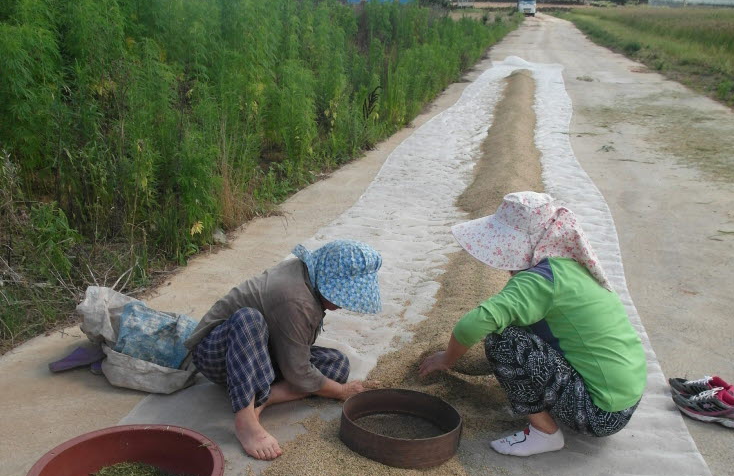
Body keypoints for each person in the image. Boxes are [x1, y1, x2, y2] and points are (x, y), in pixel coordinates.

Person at [418, 192, 646, 456]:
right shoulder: (569, 266)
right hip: (624, 398)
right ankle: (550, 409)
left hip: (598, 413)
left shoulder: (537, 281)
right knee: (516, 329)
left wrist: (446, 359)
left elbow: (471, 325)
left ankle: (544, 433)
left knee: (503, 340)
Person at [184, 239, 382, 460]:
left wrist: (333, 385)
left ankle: (262, 399)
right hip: (221, 354)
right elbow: (298, 372)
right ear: (328, 280)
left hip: (263, 350)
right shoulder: (297, 300)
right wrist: (341, 392)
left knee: (337, 365)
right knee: (249, 319)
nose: (344, 303)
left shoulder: (309, 276)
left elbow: (297, 357)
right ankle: (245, 419)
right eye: (342, 295)